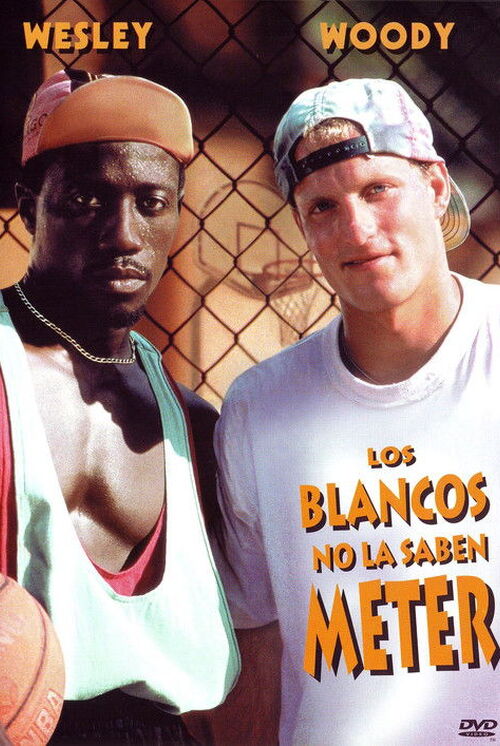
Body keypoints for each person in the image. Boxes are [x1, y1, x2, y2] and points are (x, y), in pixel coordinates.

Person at [215, 78, 500, 745]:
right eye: (323, 206)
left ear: (435, 186)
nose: (357, 229)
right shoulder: (260, 409)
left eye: (378, 190)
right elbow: (256, 646)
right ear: (302, 227)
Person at [0, 68, 239, 744]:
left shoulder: (197, 429)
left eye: (151, 203)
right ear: (29, 207)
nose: (124, 234)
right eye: (86, 200)